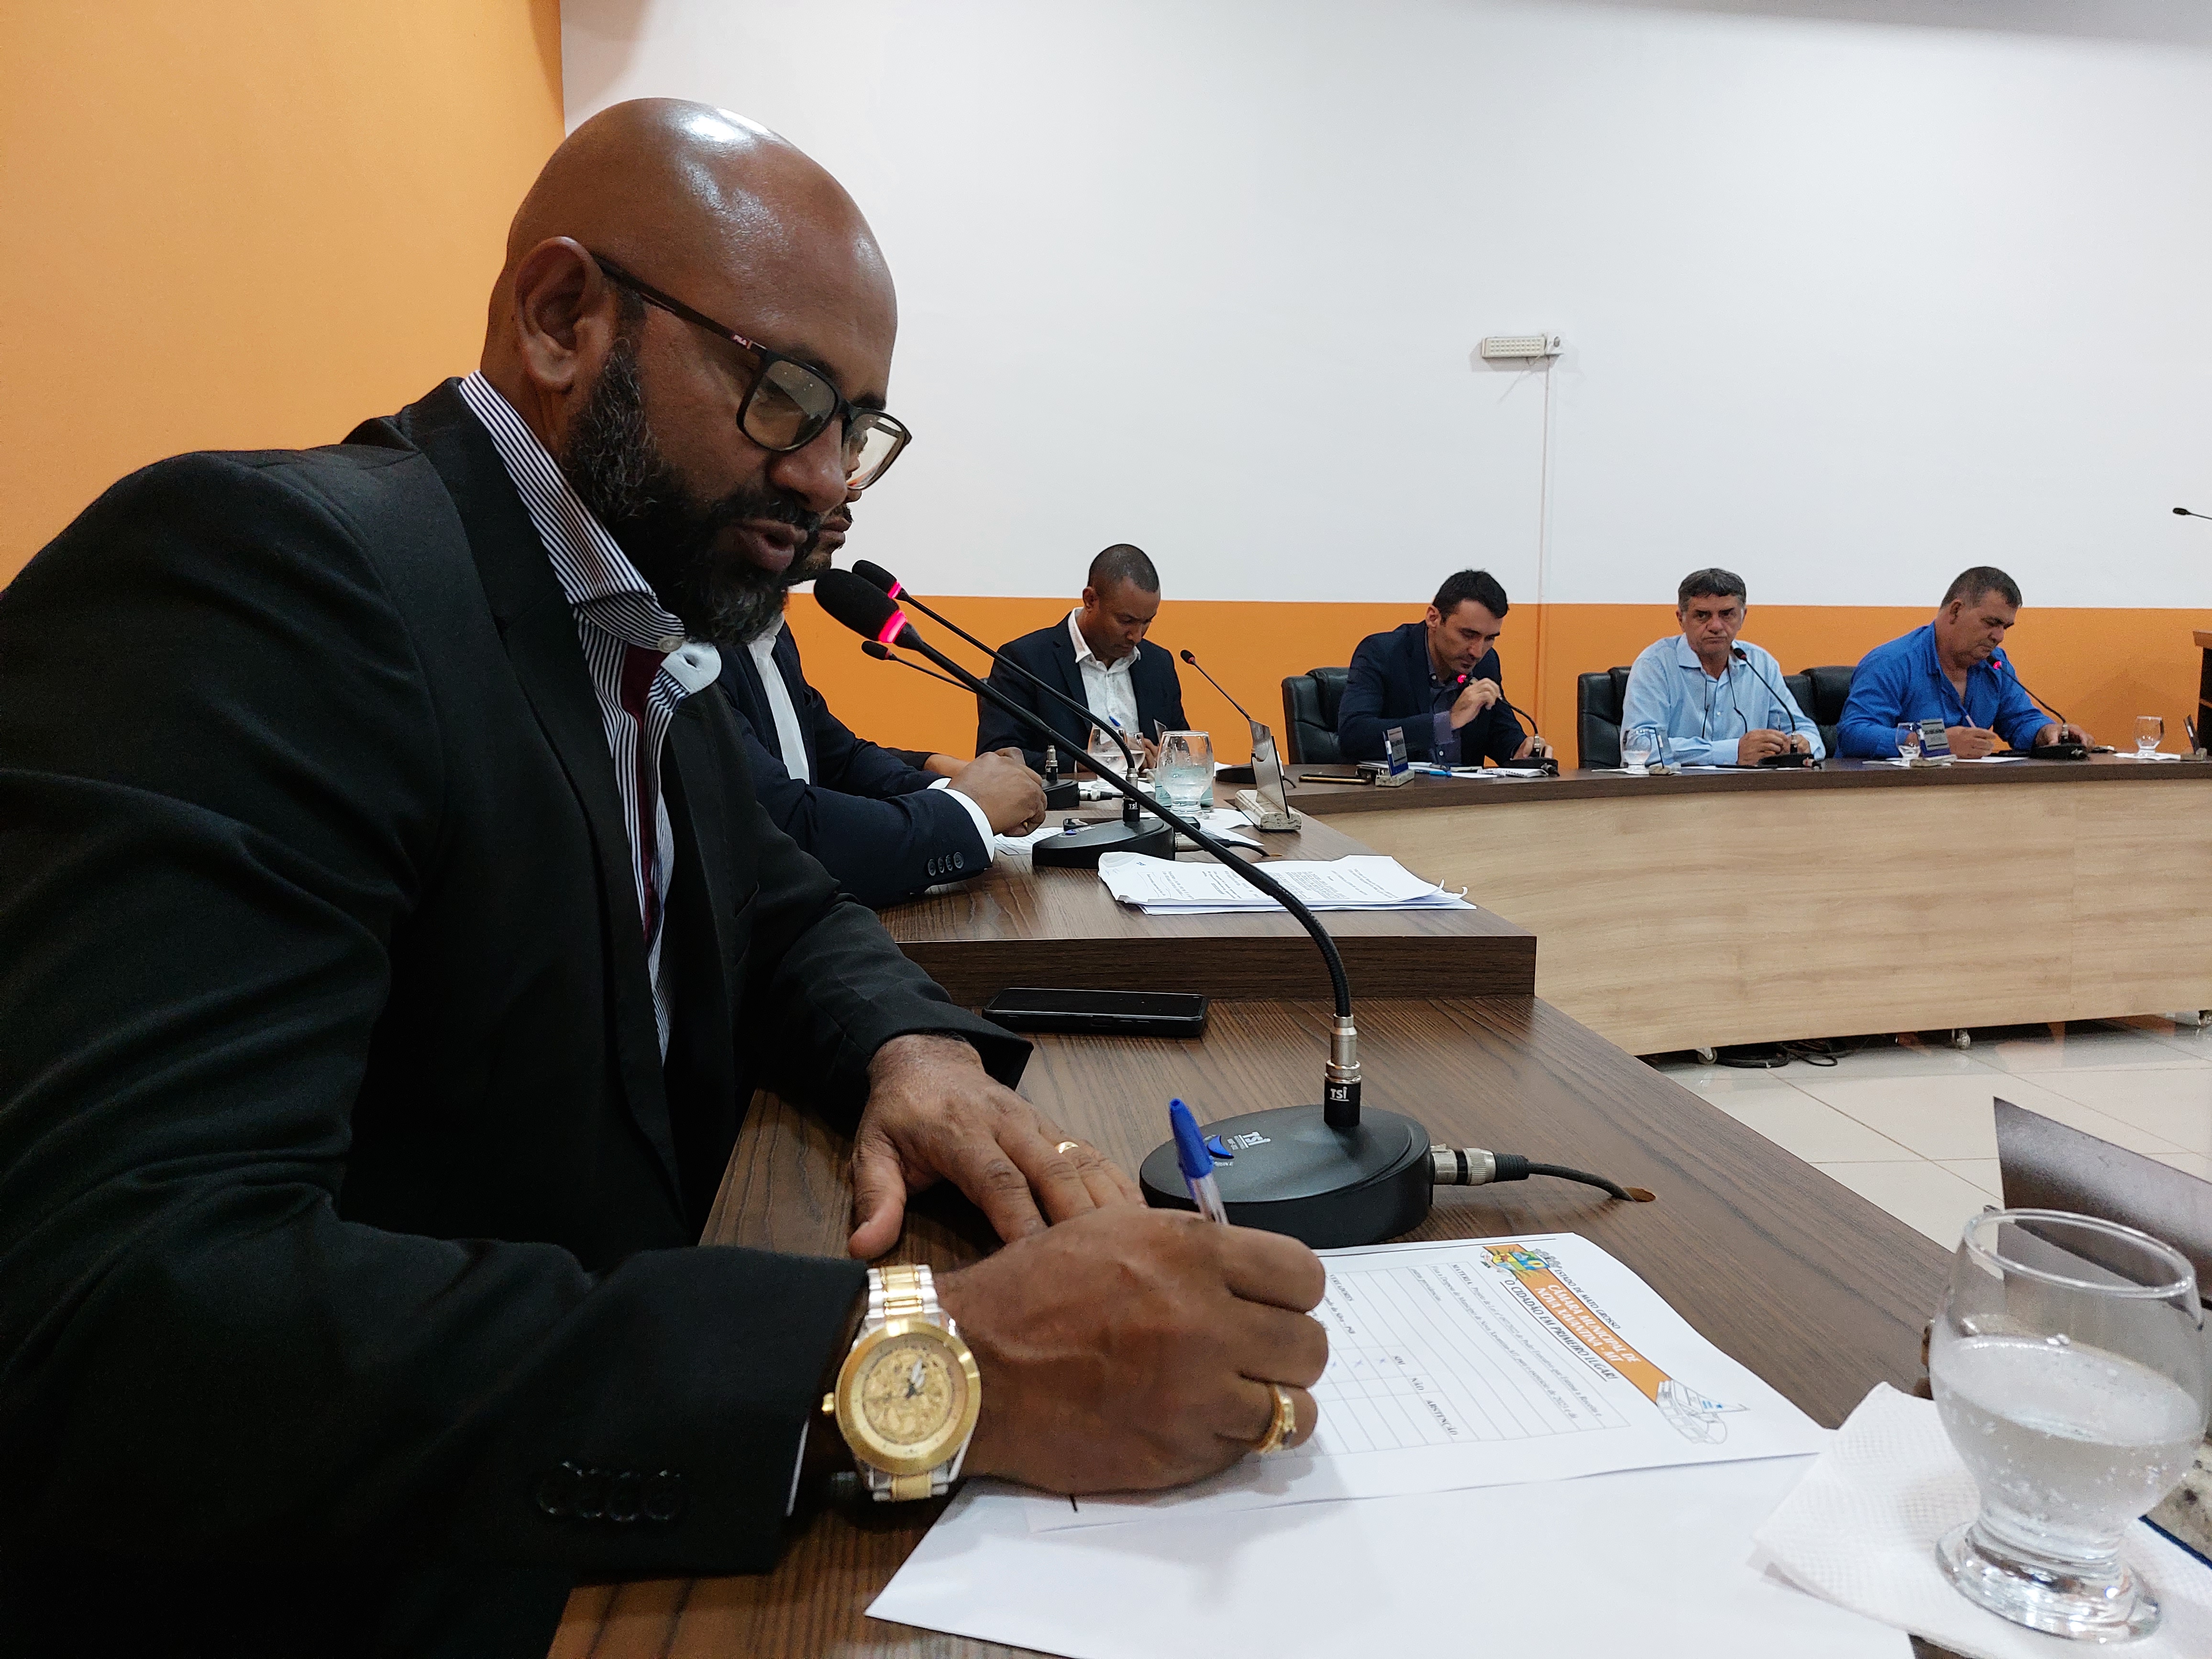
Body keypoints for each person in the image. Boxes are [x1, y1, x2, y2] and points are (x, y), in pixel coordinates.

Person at [0, 100, 1327, 1658]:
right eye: (787, 396)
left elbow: (776, 903)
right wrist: (912, 1361)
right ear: (563, 316)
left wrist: (913, 1050)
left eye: (858, 427)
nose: (829, 480)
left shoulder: (639, 629)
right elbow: (113, 1312)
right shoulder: (268, 576)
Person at [716, 492, 1048, 905]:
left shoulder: (771, 631)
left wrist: (959, 788)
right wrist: (968, 808)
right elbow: (789, 826)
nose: (848, 492)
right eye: (829, 463)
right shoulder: (696, 647)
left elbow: (843, 760)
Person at [1836, 566, 2092, 758]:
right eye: (1991, 623)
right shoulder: (1892, 662)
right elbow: (1854, 733)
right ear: (1956, 611)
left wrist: (2046, 732)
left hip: (1968, 796)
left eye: (2005, 627)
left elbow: (2019, 719)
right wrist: (1934, 742)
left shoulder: (1995, 665)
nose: (1999, 637)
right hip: (1888, 799)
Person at [975, 543, 1188, 774]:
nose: (1136, 636)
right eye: (1126, 621)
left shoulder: (1158, 663)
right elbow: (996, 757)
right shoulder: (1025, 660)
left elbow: (1183, 751)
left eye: (1147, 622)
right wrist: (1085, 762)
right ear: (1090, 600)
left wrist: (1165, 757)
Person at [1337, 569, 1548, 765]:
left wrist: (1521, 750)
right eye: (1468, 635)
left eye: (1490, 638)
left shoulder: (1487, 662)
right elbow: (1354, 738)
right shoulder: (1383, 654)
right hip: (1401, 791)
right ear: (1434, 618)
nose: (1477, 652)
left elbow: (1500, 731)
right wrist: (1447, 723)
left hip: (1464, 792)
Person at [1620, 568, 1823, 764]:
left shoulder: (1760, 664)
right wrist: (1732, 752)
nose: (1716, 626)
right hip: (1675, 786)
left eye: (1727, 614)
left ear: (1743, 617)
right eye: (1702, 615)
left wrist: (1803, 745)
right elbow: (1638, 745)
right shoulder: (1655, 666)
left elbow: (1806, 731)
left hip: (1750, 786)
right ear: (1681, 619)